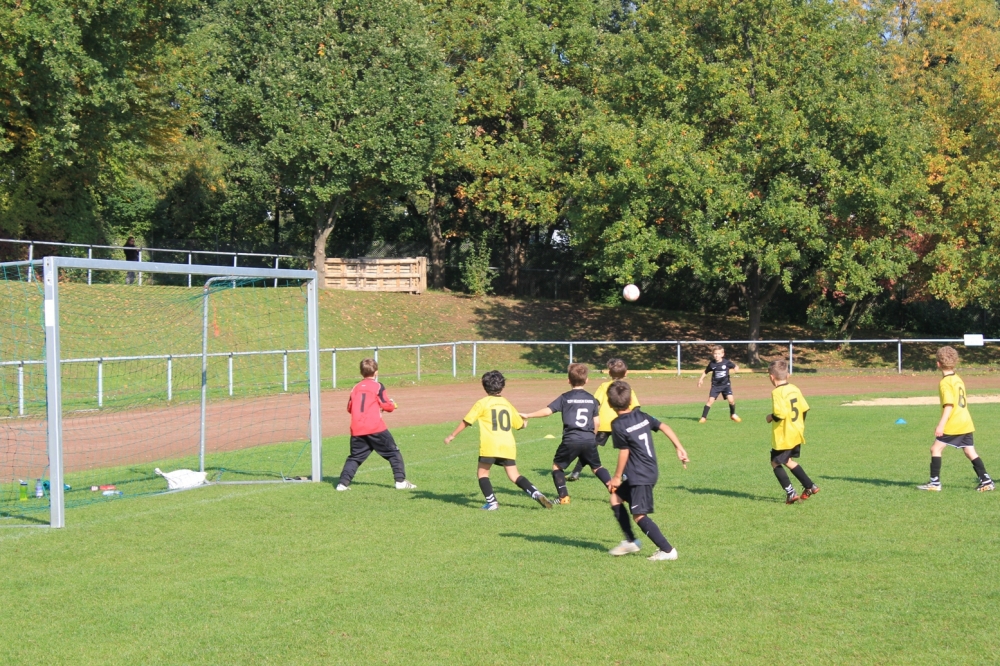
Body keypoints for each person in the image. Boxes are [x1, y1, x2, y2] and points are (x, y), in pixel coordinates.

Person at [444, 370, 553, 510]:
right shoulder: (506, 403)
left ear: (484, 386)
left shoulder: (482, 403)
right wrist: (525, 421)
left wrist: (452, 435)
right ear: (502, 386)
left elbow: (467, 421)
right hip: (508, 445)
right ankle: (536, 493)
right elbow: (520, 425)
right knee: (514, 475)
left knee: (483, 473)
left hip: (490, 445)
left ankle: (492, 503)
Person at [605, 380, 688, 561]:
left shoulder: (618, 424)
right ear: (630, 400)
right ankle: (630, 541)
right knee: (615, 498)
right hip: (647, 470)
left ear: (610, 404)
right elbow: (664, 426)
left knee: (639, 515)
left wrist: (617, 477)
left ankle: (667, 550)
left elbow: (624, 451)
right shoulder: (641, 415)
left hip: (640, 474)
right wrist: (679, 447)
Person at [519, 363, 612, 504]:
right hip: (588, 439)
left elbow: (547, 411)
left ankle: (563, 497)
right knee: (597, 467)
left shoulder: (565, 397)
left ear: (568, 380)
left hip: (571, 439)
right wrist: (591, 437)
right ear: (587, 380)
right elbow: (597, 423)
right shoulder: (592, 399)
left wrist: (528, 415)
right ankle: (614, 489)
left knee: (557, 467)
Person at [918, 346, 994, 492]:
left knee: (935, 449)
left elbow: (949, 405)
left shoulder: (945, 382)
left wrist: (941, 425)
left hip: (954, 422)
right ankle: (986, 481)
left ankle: (934, 483)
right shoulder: (957, 379)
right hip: (966, 421)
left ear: (938, 364)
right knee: (970, 451)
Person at [336, 359, 416, 491]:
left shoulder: (355, 388)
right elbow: (386, 405)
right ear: (376, 372)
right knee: (393, 453)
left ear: (361, 372)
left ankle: (342, 484)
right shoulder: (378, 386)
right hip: (375, 428)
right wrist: (392, 405)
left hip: (357, 428)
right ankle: (400, 481)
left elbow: (350, 408)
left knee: (355, 457)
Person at [567, 358, 639, 482]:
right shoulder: (627, 388)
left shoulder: (604, 386)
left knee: (590, 448)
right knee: (628, 449)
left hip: (604, 423)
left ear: (609, 373)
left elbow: (595, 402)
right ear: (626, 373)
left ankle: (576, 472)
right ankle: (625, 474)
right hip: (622, 423)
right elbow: (636, 407)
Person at [766, 359, 818, 504]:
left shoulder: (777, 392)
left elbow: (780, 414)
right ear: (788, 375)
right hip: (796, 431)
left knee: (775, 462)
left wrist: (770, 417)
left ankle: (791, 493)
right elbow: (805, 408)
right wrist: (799, 425)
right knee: (787, 460)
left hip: (784, 435)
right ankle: (810, 486)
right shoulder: (794, 388)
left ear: (771, 377)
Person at [698, 345, 741, 423]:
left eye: (718, 354)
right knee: (710, 401)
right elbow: (706, 371)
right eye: (715, 354)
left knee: (731, 400)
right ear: (713, 354)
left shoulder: (726, 362)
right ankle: (703, 417)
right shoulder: (712, 364)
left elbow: (735, 366)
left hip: (726, 385)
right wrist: (701, 379)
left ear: (722, 354)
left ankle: (733, 414)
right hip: (716, 386)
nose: (717, 355)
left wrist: (736, 368)